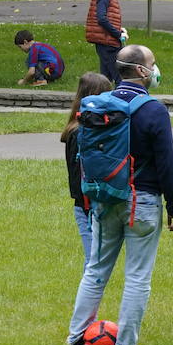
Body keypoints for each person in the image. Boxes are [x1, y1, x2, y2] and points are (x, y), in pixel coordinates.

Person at [66, 45, 173, 345]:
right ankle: (125, 344)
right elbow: (166, 162)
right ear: (142, 71)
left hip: (104, 200)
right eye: (153, 64)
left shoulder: (101, 104)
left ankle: (76, 336)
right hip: (142, 203)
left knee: (96, 270)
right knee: (138, 276)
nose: (156, 69)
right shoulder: (154, 109)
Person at [60, 71, 113, 258]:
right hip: (86, 204)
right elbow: (78, 174)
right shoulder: (79, 133)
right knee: (93, 259)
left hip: (89, 202)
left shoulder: (81, 130)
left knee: (97, 257)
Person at [86, 0, 128, 84]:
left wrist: (118, 28)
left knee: (106, 78)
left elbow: (106, 18)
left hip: (105, 41)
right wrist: (118, 34)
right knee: (119, 77)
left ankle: (104, 99)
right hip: (108, 43)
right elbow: (102, 19)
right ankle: (120, 99)